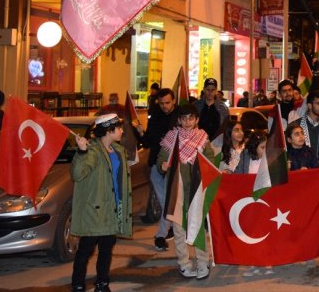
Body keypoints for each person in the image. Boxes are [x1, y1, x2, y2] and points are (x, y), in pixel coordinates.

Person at [70, 113, 132, 292]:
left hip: (113, 207)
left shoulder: (118, 150)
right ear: (109, 130)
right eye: (119, 128)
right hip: (95, 209)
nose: (121, 131)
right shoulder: (92, 150)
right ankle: (78, 285)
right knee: (86, 250)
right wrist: (81, 151)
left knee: (106, 249)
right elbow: (78, 173)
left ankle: (102, 284)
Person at [158, 103, 213, 280]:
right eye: (184, 118)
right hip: (177, 191)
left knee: (198, 228)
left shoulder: (203, 138)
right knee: (179, 230)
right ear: (179, 120)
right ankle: (184, 263)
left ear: (196, 119)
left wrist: (206, 167)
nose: (187, 122)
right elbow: (161, 158)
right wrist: (163, 165)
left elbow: (211, 160)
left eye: (191, 118)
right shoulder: (172, 137)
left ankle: (203, 263)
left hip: (196, 190)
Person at [141, 88, 178, 251]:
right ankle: (162, 235)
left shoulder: (180, 117)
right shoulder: (155, 115)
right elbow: (148, 141)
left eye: (167, 103)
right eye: (161, 103)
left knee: (171, 202)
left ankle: (164, 234)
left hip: (176, 166)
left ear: (174, 101)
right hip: (156, 164)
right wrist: (139, 133)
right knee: (165, 202)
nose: (164, 106)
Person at [234, 130, 273, 277]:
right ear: (254, 147)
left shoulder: (270, 159)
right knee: (251, 233)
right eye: (262, 147)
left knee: (265, 232)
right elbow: (238, 174)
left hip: (265, 201)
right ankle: (252, 263)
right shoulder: (245, 156)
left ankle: (266, 261)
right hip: (249, 201)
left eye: (267, 147)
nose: (265, 150)